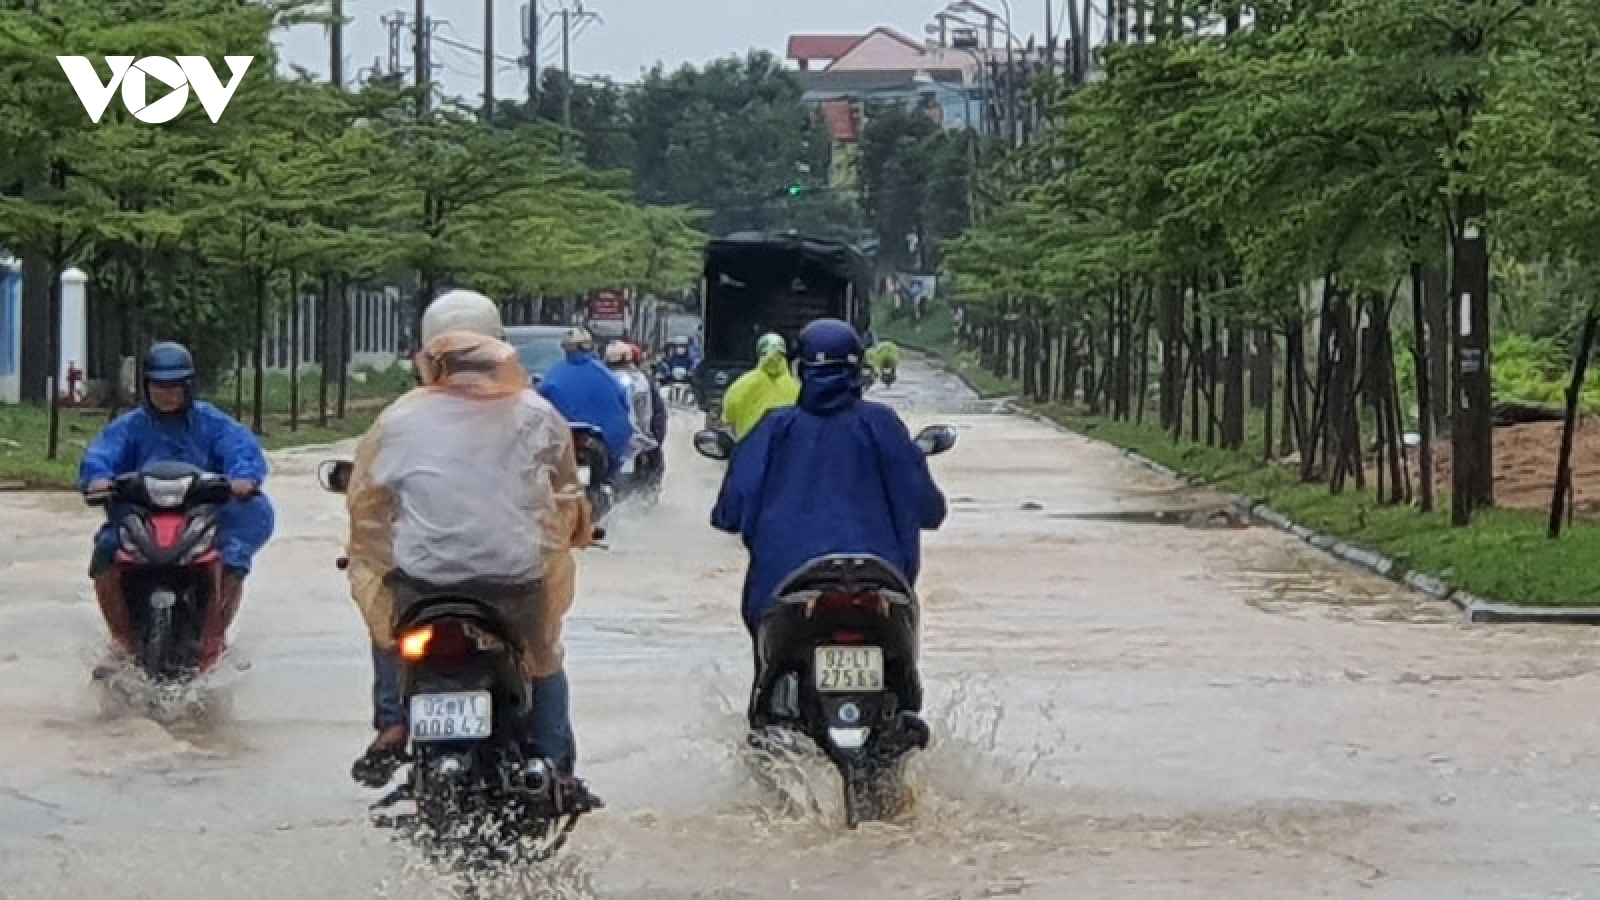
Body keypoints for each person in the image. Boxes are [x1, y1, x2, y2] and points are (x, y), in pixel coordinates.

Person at [343, 289, 595, 786]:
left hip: (424, 584)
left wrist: (375, 557)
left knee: (389, 628)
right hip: (514, 583)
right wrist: (578, 533)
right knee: (542, 660)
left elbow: (367, 507)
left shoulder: (397, 420)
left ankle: (393, 726)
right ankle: (551, 764)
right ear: (498, 345)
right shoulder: (536, 414)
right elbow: (565, 499)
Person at [710, 319, 946, 726]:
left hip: (785, 589)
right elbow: (929, 507)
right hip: (881, 585)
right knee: (904, 698)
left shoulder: (774, 428)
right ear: (859, 369)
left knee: (766, 712)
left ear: (802, 369)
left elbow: (730, 510)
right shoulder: (883, 425)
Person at [80, 342, 275, 669]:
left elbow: (242, 452)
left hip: (203, 517)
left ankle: (214, 637)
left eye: (175, 386)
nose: (167, 394)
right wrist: (98, 479)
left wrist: (243, 479)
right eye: (160, 386)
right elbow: (100, 456)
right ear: (146, 386)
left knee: (233, 555)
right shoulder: (130, 427)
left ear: (189, 386)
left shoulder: (212, 423)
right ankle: (121, 641)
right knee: (106, 551)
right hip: (141, 517)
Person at [537, 327, 634, 480]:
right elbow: (624, 408)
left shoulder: (552, 376)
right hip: (598, 445)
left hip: (563, 445)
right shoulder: (606, 375)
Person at [720, 333, 800, 442]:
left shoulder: (740, 385)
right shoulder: (799, 389)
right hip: (786, 453)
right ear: (784, 354)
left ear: (759, 354)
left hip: (750, 451)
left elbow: (728, 416)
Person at [603, 340, 659, 474]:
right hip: (634, 442)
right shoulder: (639, 380)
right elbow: (645, 416)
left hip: (608, 442)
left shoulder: (602, 378)